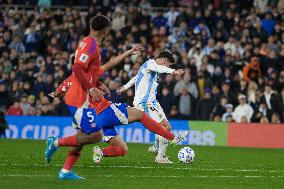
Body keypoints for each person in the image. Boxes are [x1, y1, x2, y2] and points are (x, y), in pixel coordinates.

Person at [45, 16, 188, 180]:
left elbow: (59, 91)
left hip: (87, 111)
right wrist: (93, 86)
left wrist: (97, 82)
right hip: (103, 110)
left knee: (118, 148)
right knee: (140, 115)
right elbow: (88, 68)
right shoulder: (90, 49)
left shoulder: (74, 79)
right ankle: (171, 138)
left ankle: (66, 168)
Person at [117, 50, 185, 163]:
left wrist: (125, 86)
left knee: (167, 127)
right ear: (164, 60)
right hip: (145, 103)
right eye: (168, 64)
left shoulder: (148, 67)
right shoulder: (150, 64)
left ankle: (155, 147)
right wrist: (173, 71)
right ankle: (160, 156)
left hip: (152, 102)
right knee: (163, 127)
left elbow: (136, 78)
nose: (168, 66)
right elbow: (160, 68)